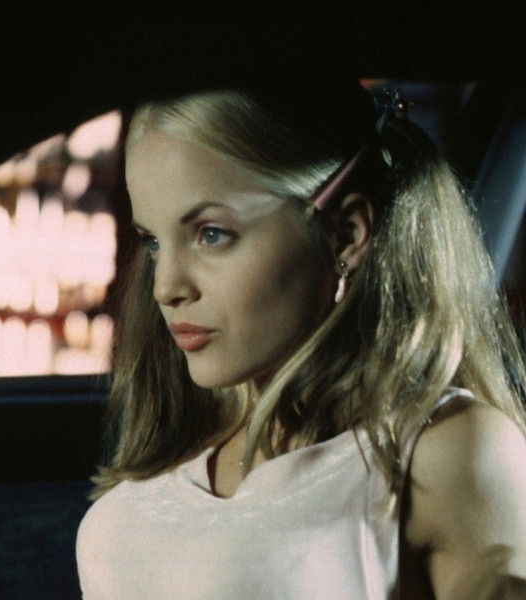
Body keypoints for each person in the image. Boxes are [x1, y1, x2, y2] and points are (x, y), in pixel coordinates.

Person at [76, 77, 526, 599]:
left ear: (346, 234)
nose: (166, 287)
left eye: (212, 234)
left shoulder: (445, 451)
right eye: (153, 242)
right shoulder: (172, 457)